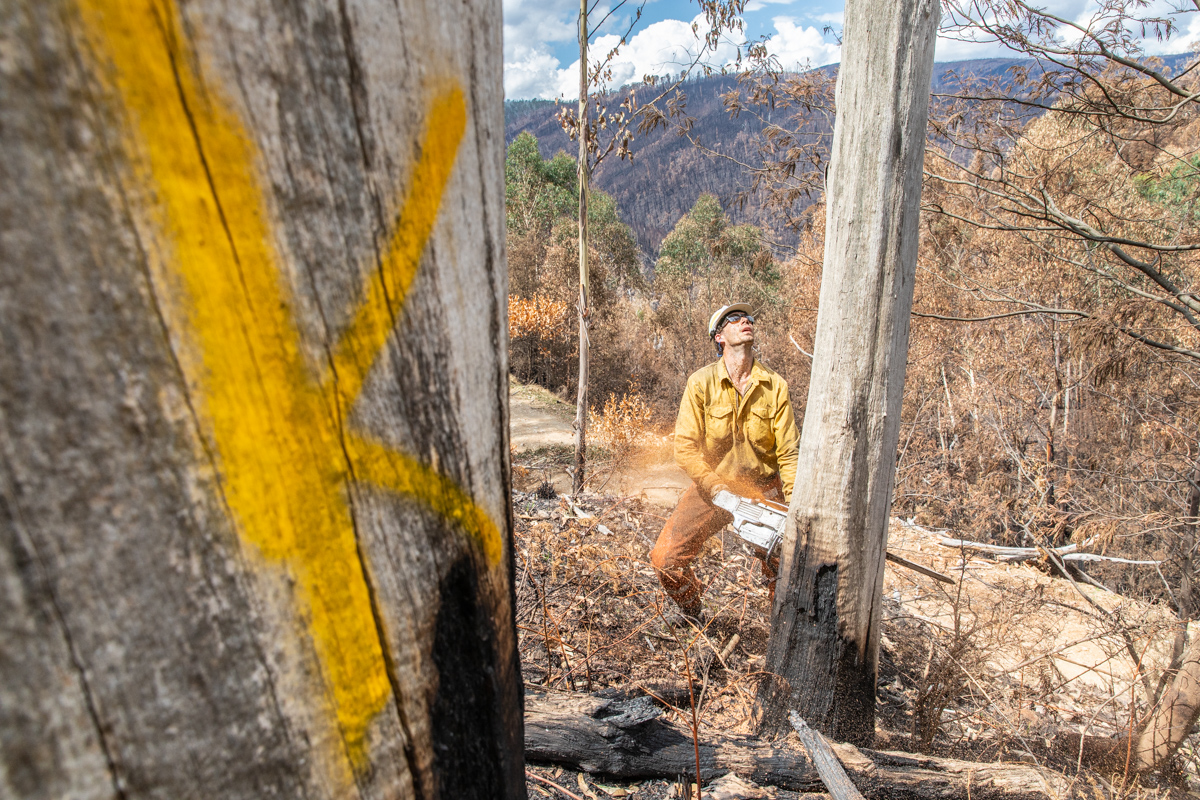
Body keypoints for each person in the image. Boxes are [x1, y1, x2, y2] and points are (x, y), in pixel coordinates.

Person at [650, 303, 800, 621]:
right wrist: (716, 489)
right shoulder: (700, 383)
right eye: (734, 319)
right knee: (665, 559)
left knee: (786, 570)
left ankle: (782, 638)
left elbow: (788, 454)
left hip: (764, 489)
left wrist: (796, 506)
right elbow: (685, 448)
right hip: (713, 488)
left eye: (748, 318)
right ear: (719, 336)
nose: (745, 320)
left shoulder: (775, 386)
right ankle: (691, 611)